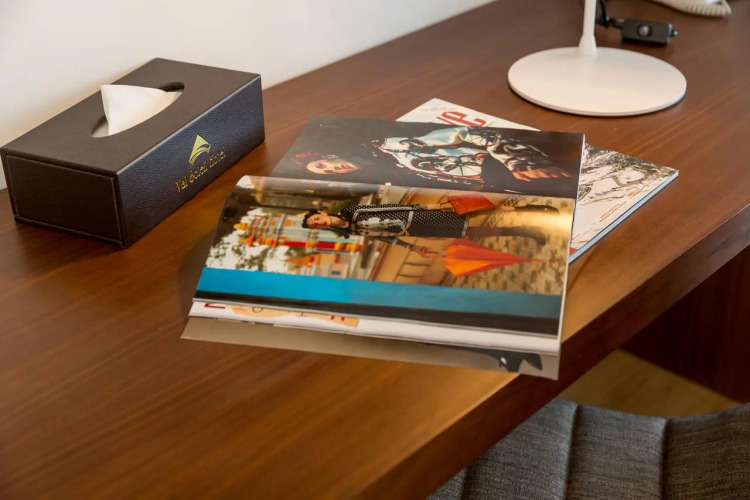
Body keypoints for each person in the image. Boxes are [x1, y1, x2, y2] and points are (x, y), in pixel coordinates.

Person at [297, 126, 575, 196]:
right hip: (496, 184)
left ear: (328, 156)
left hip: (503, 167)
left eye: (323, 165)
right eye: (326, 173)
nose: (332, 169)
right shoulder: (382, 177)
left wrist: (519, 160)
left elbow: (464, 133)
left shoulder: (385, 147)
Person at [301, 203, 548, 255]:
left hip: (419, 215)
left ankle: (532, 209)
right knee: (472, 231)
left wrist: (424, 206)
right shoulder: (349, 232)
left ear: (322, 213)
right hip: (416, 229)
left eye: (316, 219)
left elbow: (388, 207)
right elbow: (385, 238)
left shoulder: (352, 211)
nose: (319, 223)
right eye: (315, 226)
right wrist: (411, 247)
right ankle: (526, 230)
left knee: (477, 210)